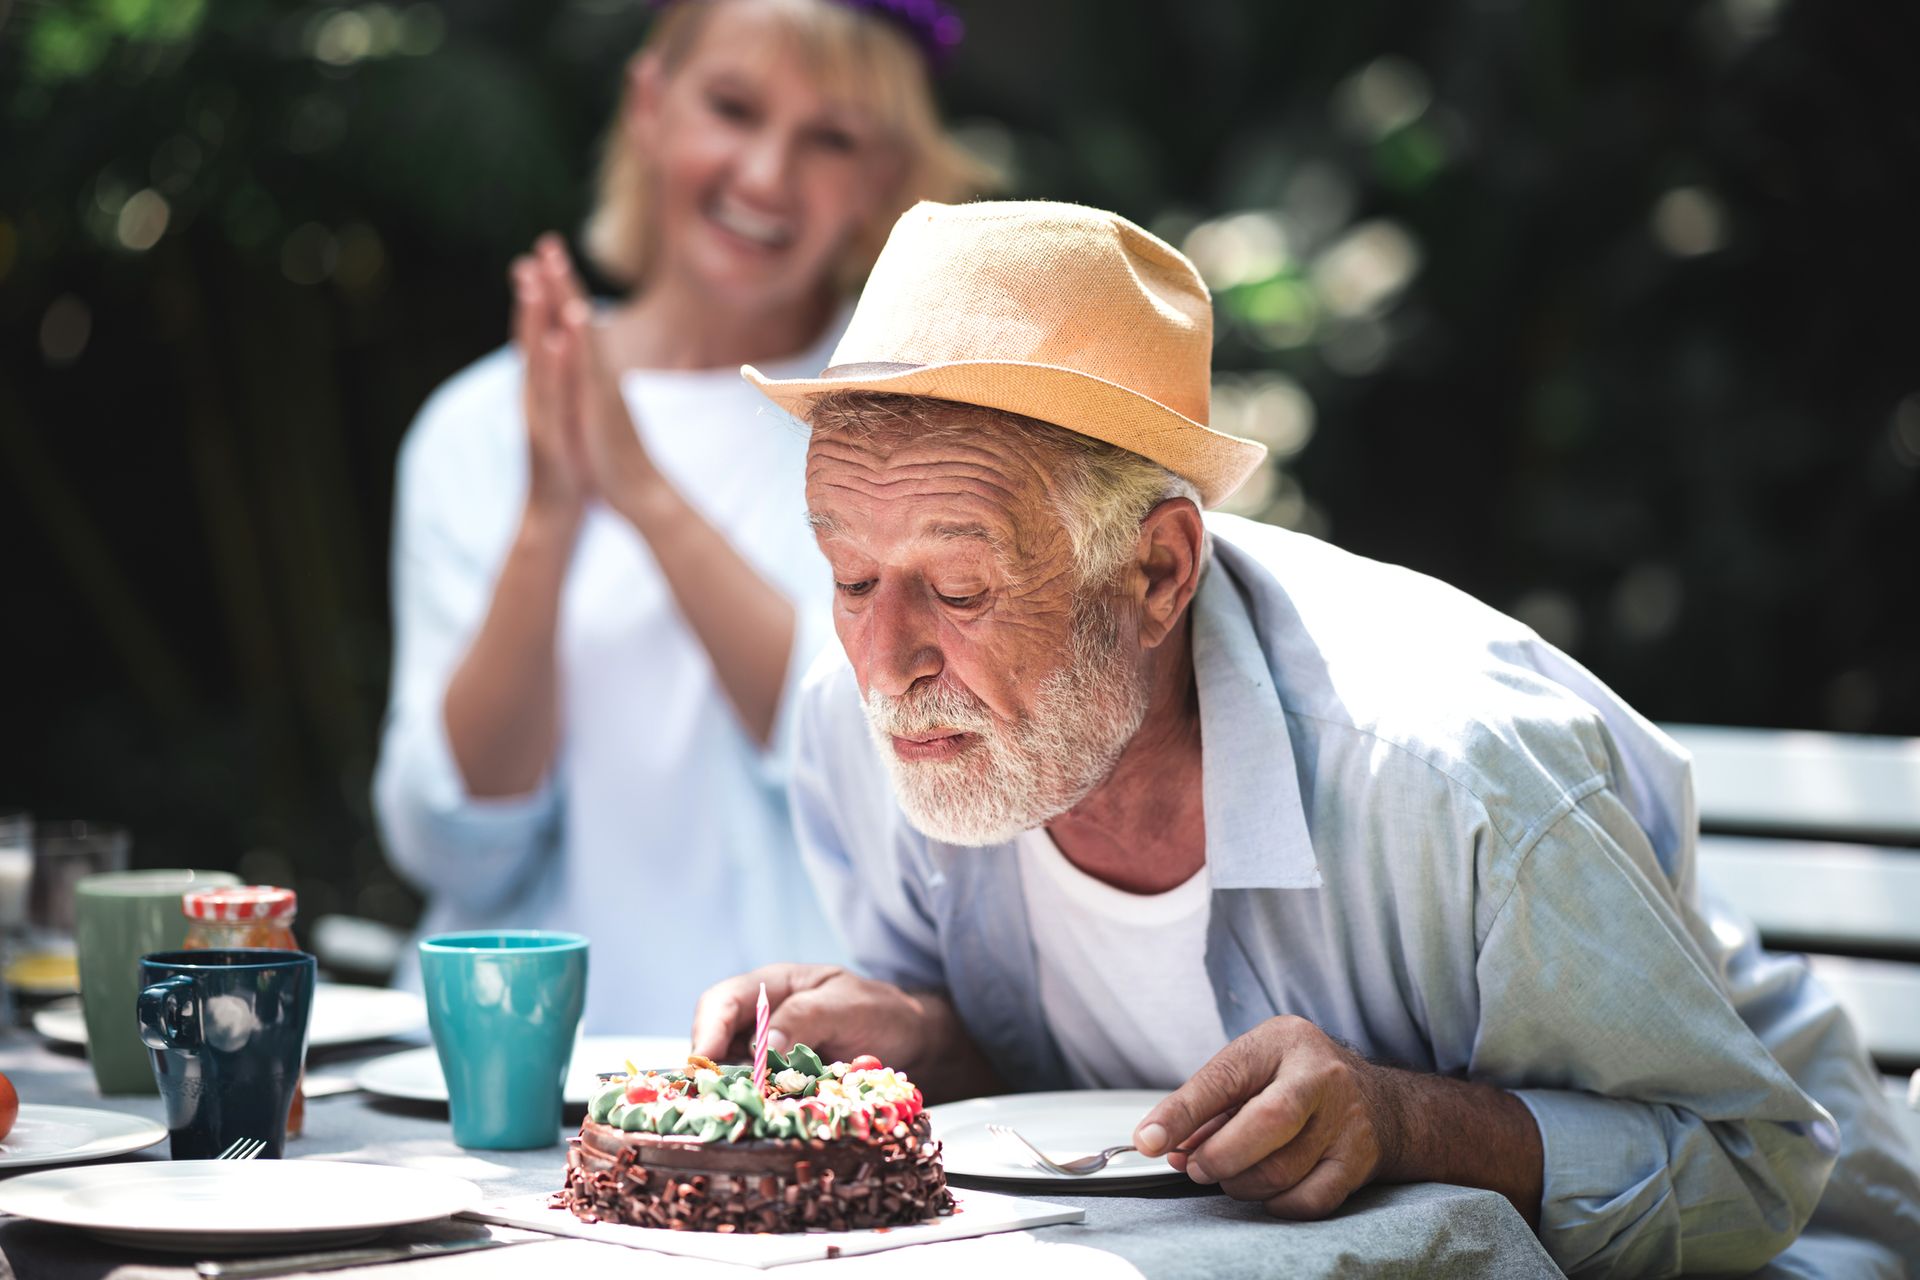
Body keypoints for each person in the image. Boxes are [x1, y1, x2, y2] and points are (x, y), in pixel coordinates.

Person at [690, 200, 1920, 1276]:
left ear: (1159, 570)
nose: (887, 660)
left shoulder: (1448, 770)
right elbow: (1043, 1094)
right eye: (850, 578)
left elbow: (1756, 1170)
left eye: (958, 592)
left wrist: (1408, 1120)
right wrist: (922, 1044)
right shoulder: (858, 729)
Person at [372, 0, 983, 1032]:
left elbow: (883, 771)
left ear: (883, 180)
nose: (765, 177)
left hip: (795, 1087)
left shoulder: (925, 427)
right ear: (650, 106)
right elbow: (450, 842)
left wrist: (645, 494)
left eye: (829, 138)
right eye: (733, 109)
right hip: (506, 1080)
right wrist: (550, 514)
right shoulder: (476, 424)